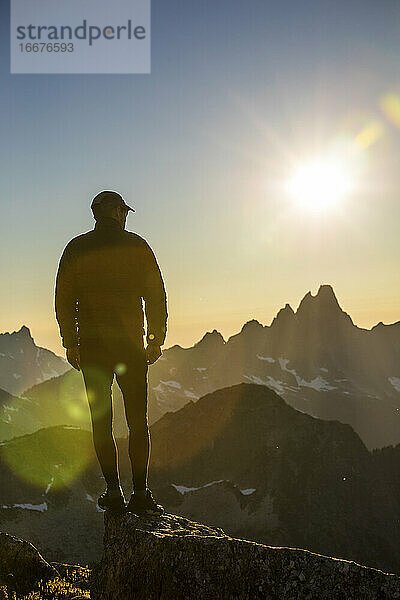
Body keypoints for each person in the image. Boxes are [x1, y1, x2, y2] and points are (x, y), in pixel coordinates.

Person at [54, 190, 168, 516]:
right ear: (117, 212)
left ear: (95, 214)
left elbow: (64, 300)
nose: (126, 216)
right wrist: (155, 338)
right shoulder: (137, 245)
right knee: (137, 423)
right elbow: (155, 294)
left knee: (101, 423)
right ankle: (141, 492)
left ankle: (113, 492)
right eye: (124, 210)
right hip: (130, 348)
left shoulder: (75, 248)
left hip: (92, 351)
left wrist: (70, 342)